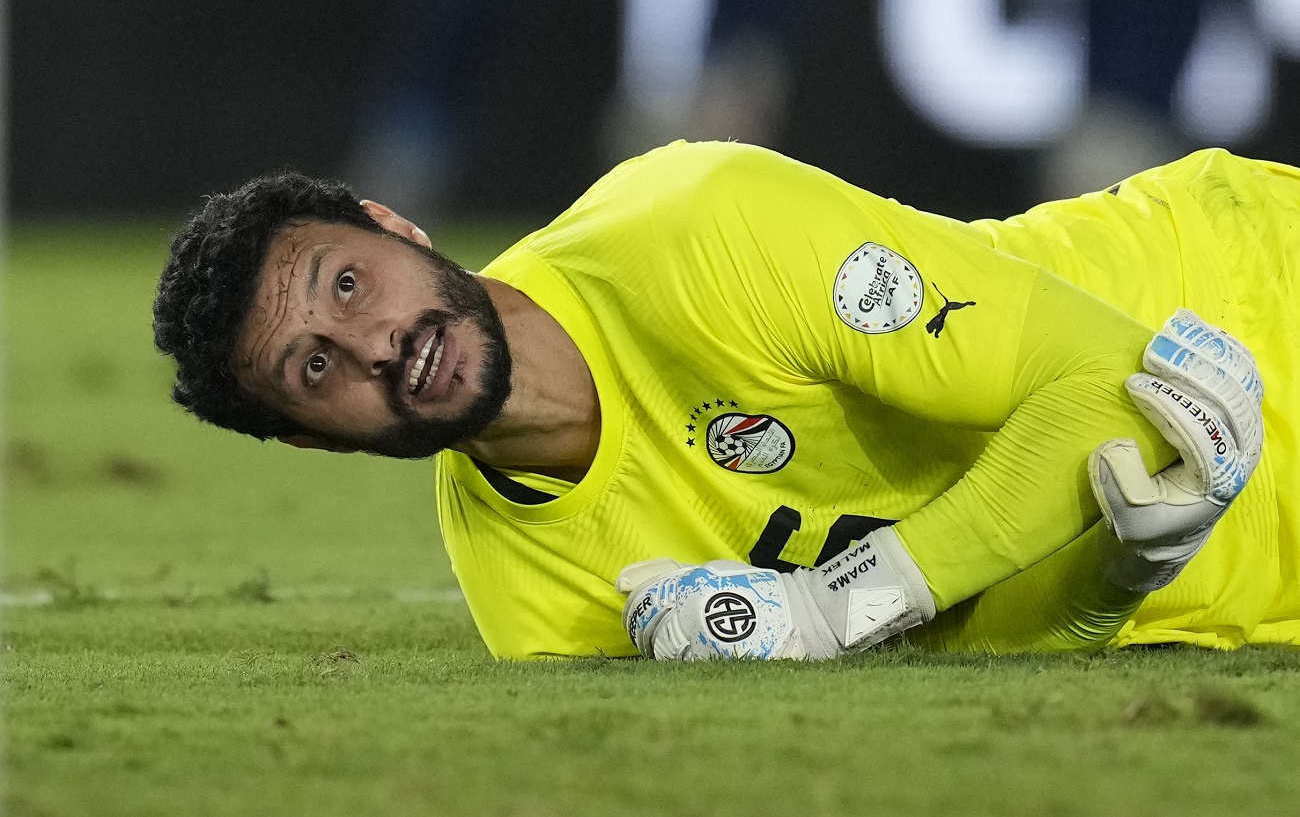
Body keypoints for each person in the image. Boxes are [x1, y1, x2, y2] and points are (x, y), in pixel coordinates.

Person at [153, 141, 1298, 659]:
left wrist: (832, 609)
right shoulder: (539, 611)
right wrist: (1107, 579)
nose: (375, 344)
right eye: (313, 368)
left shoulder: (692, 228)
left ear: (393, 224)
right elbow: (957, 651)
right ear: (313, 438)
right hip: (1243, 583)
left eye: (347, 283)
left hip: (1253, 291)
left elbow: (1118, 389)